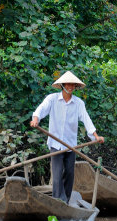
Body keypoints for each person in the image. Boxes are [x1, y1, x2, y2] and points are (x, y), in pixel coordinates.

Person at [30, 71, 104, 203]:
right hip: (55, 144)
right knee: (57, 175)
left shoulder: (78, 103)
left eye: (73, 84)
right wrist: (36, 119)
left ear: (75, 87)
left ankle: (66, 201)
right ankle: (58, 201)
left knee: (69, 174)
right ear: (63, 85)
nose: (70, 86)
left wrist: (96, 136)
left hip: (70, 145)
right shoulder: (52, 99)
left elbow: (86, 120)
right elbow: (41, 109)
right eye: (68, 84)